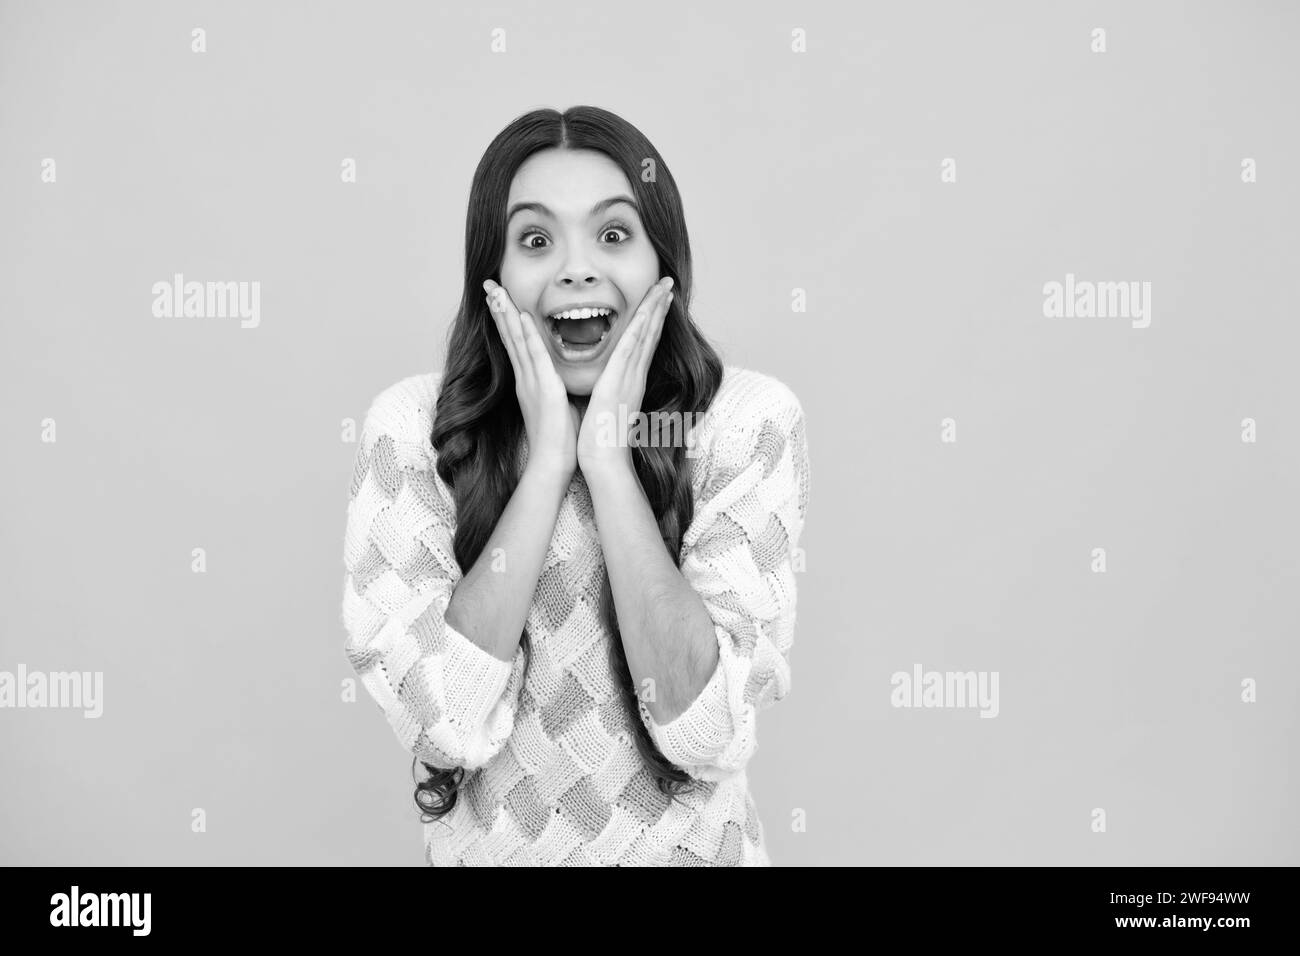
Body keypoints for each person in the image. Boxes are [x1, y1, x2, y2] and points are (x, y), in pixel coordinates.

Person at [341, 105, 811, 866]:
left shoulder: (744, 423)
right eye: (535, 239)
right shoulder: (413, 431)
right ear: (491, 276)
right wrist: (547, 465)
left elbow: (707, 731)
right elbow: (443, 722)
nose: (576, 268)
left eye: (614, 235)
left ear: (665, 264)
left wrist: (608, 467)